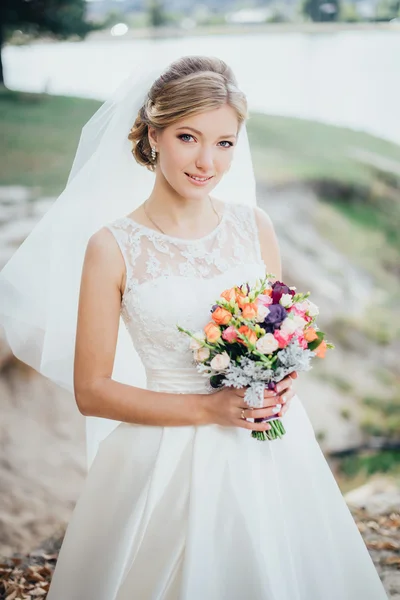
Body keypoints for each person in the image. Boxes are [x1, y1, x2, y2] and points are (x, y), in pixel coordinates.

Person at [0, 56, 388, 599]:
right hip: (163, 460)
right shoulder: (112, 247)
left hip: (270, 449)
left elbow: (277, 333)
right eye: (189, 137)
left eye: (225, 143)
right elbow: (92, 391)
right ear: (153, 134)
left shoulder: (255, 227)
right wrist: (208, 409)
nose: (207, 161)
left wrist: (282, 378)